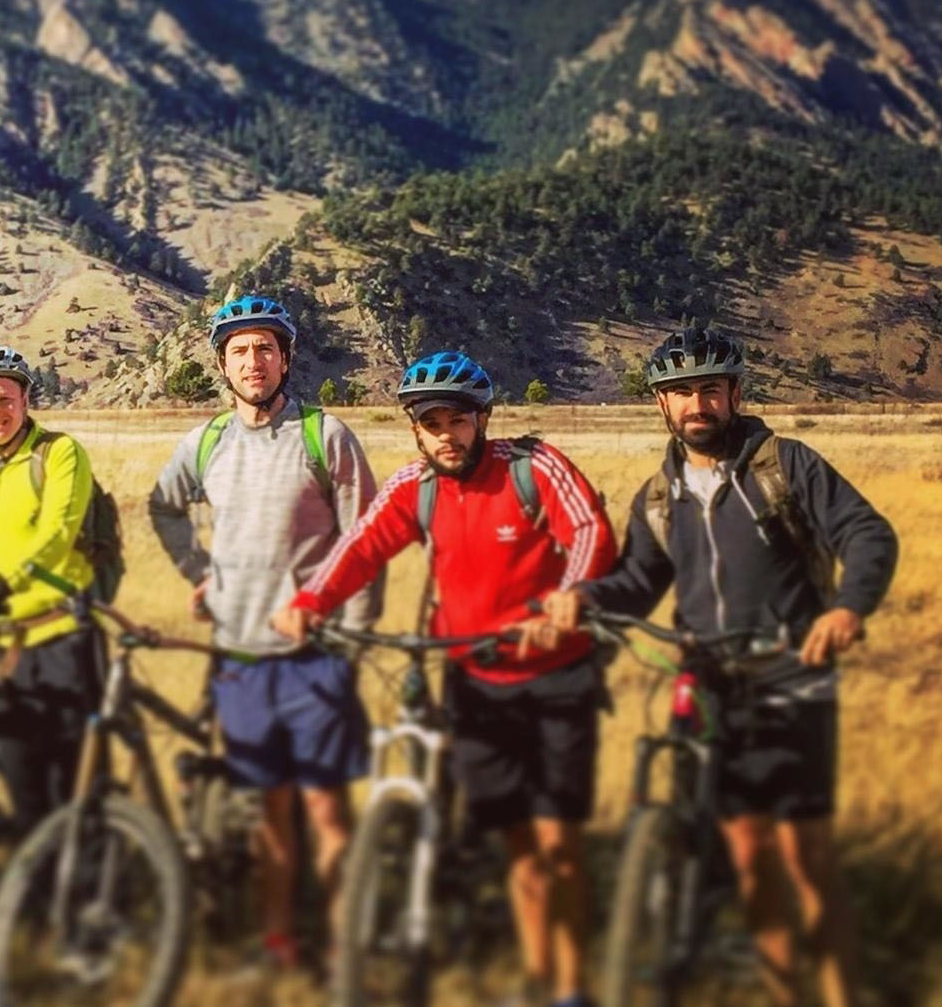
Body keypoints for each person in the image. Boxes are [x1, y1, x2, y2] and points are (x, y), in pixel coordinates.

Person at [542, 326, 897, 1007]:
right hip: (708, 683)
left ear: (735, 394)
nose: (696, 404)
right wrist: (585, 598)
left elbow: (865, 532)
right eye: (681, 392)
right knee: (751, 855)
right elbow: (638, 580)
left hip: (790, 676)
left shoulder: (785, 466)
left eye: (710, 389)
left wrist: (848, 607)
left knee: (806, 858)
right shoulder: (659, 495)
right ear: (661, 403)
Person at [275, 351, 616, 1007]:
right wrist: (310, 602)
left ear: (481, 419)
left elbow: (588, 532)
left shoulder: (533, 467)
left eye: (457, 421)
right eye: (430, 425)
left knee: (559, 843)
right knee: (518, 842)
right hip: (473, 679)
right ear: (415, 429)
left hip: (553, 675)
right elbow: (362, 545)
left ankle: (572, 986)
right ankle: (540, 979)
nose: (445, 436)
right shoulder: (416, 486)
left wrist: (568, 599)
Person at [146, 293, 379, 974]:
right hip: (240, 659)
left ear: (286, 358)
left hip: (314, 658)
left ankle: (342, 951)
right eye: (240, 351)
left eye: (265, 349)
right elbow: (163, 506)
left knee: (328, 813)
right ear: (223, 364)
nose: (254, 362)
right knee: (270, 814)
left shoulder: (324, 436)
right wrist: (200, 573)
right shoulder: (207, 441)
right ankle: (280, 942)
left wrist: (351, 641)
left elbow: (364, 541)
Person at [0, 343, 104, 822]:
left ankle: (94, 869)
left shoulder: (58, 453)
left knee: (73, 794)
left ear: (26, 401)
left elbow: (57, 536)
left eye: (6, 399)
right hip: (7, 648)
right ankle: (34, 867)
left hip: (64, 640)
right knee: (23, 785)